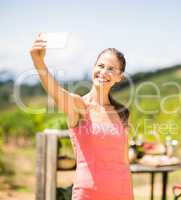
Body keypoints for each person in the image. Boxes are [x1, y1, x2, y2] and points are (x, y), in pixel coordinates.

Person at [30, 34, 134, 200]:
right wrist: (38, 62)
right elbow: (56, 93)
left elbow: (124, 162)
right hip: (88, 194)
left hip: (121, 192)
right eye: (100, 65)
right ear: (93, 68)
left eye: (111, 69)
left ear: (119, 77)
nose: (103, 72)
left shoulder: (122, 113)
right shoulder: (79, 106)